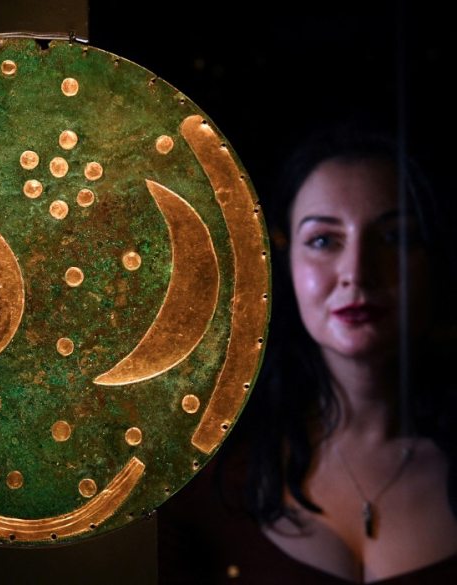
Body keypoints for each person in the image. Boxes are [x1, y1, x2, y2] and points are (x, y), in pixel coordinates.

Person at [157, 124, 457, 584]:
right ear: (286, 261)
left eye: (394, 238)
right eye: (323, 240)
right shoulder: (211, 474)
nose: (356, 272)